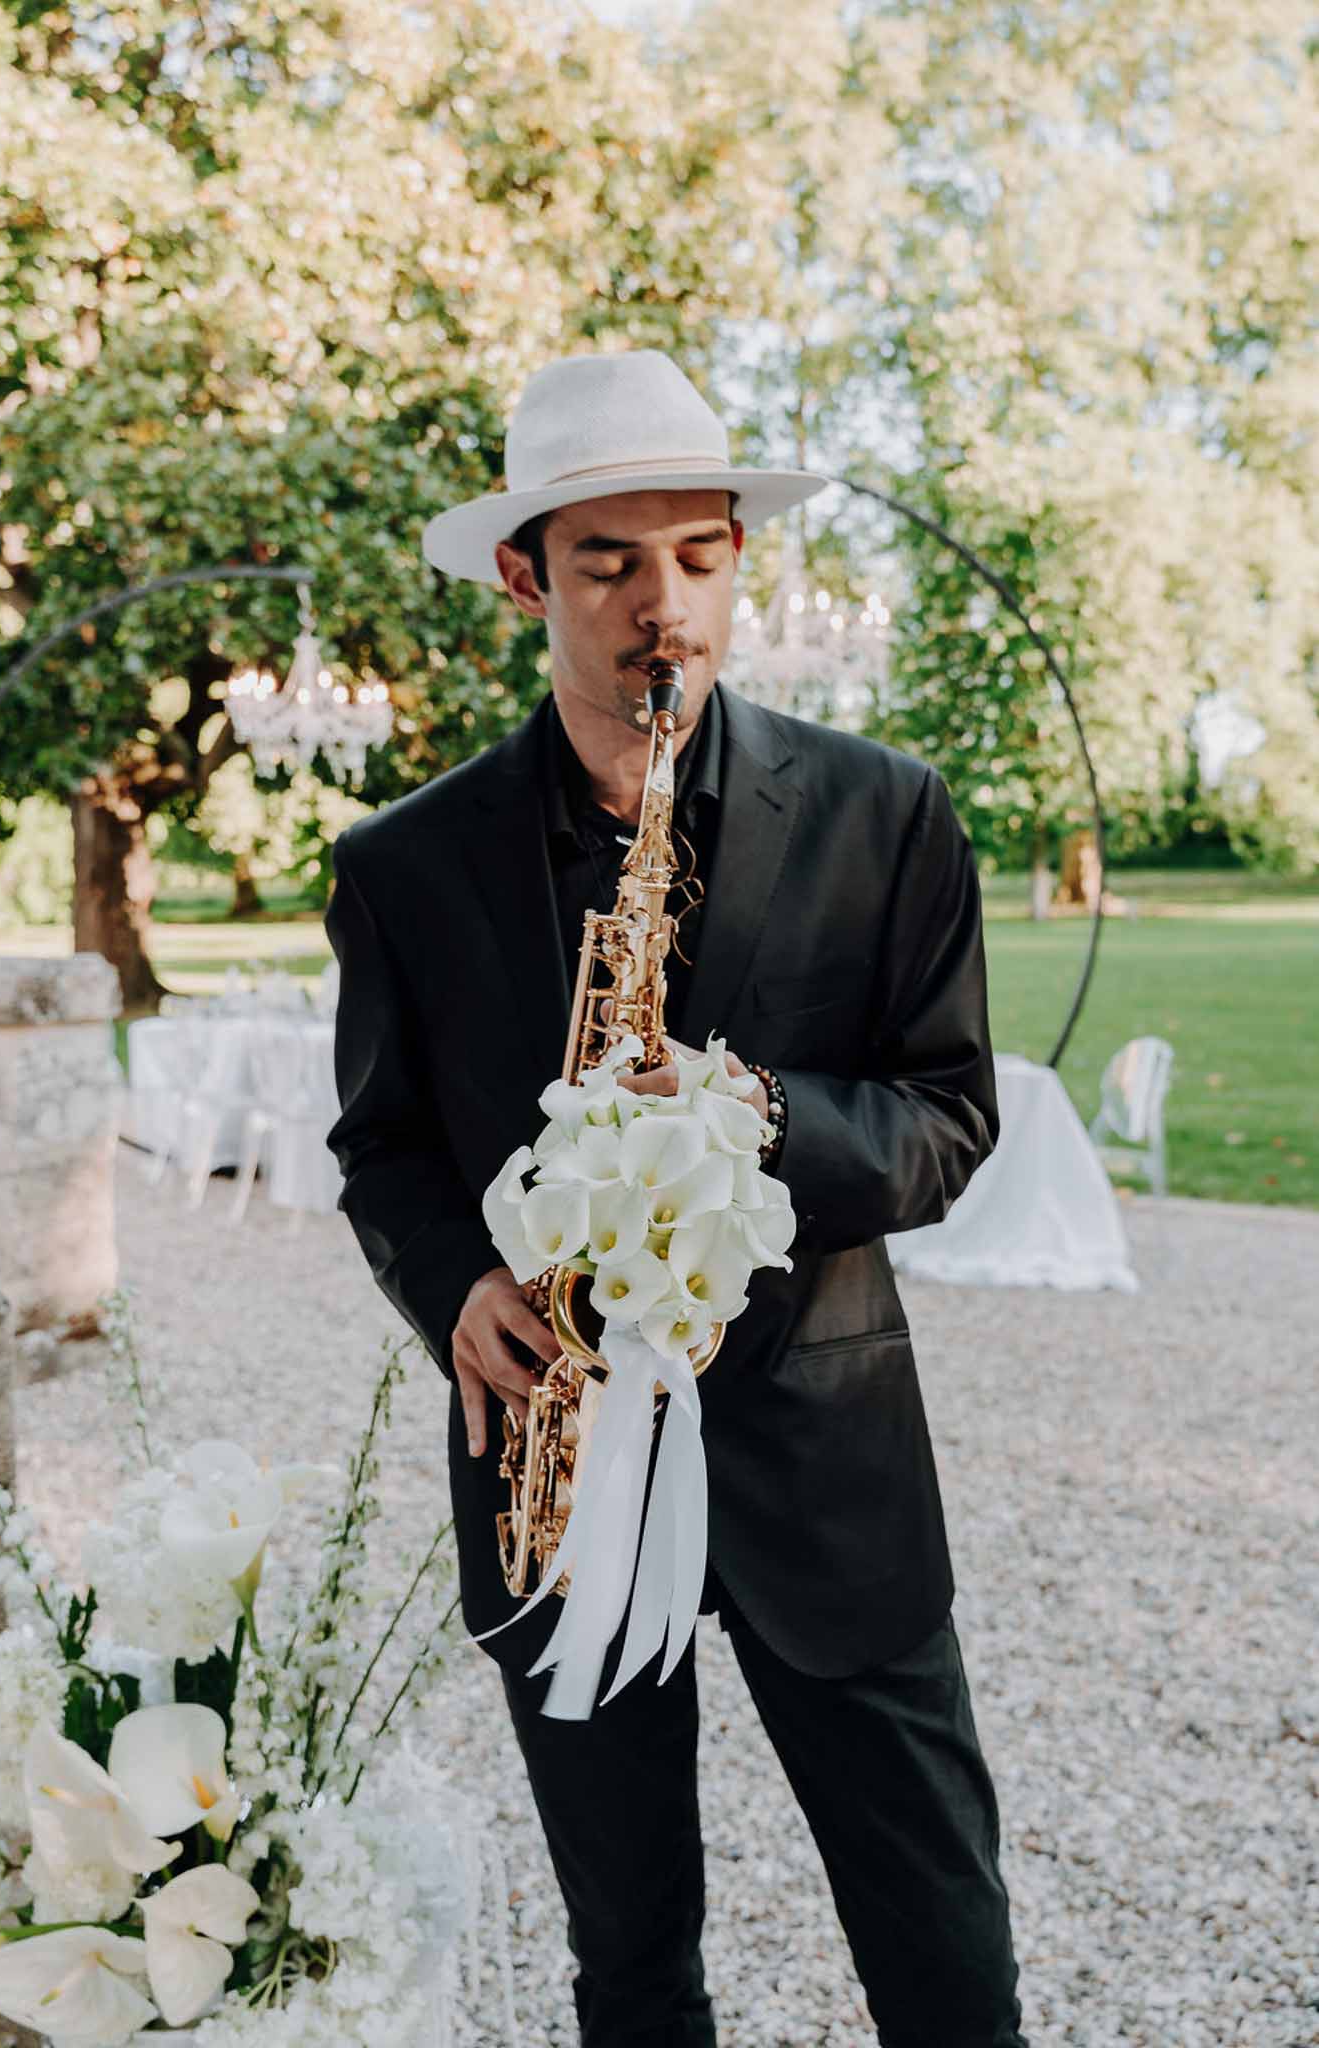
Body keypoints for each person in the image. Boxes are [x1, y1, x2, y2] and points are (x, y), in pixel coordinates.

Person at [325, 349, 1028, 2047]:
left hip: (821, 1455)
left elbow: (947, 1119)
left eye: (699, 556)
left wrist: (756, 1115)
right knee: (629, 1956)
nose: (665, 609)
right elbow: (383, 1148)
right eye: (606, 563)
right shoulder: (403, 864)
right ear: (521, 575)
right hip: (557, 1462)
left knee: (941, 1945)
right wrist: (451, 1288)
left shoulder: (887, 813)